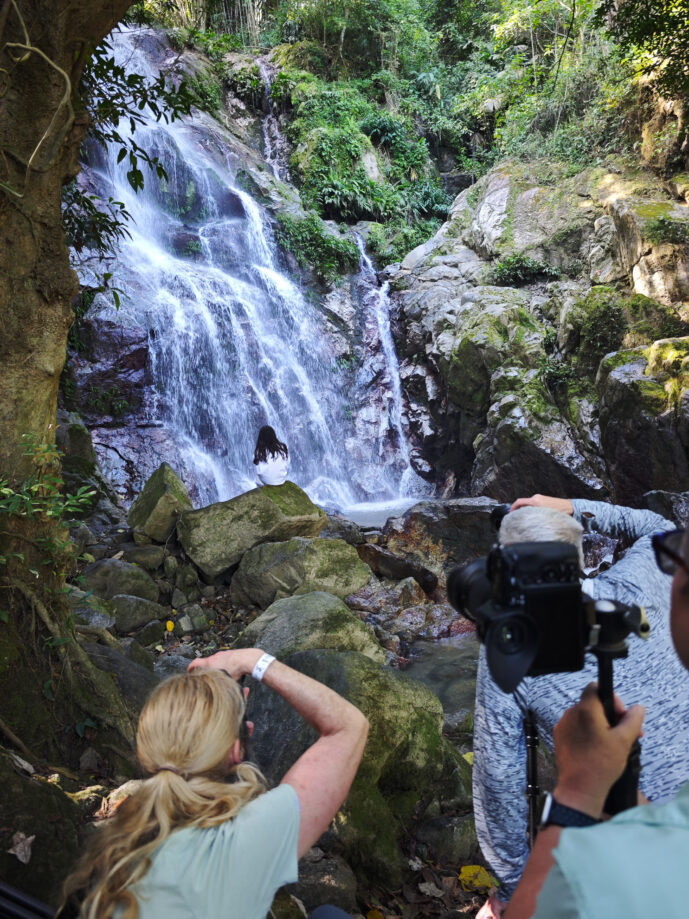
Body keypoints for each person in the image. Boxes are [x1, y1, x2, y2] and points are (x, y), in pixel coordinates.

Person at [473, 494, 689, 919]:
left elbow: (499, 782)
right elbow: (657, 524)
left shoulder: (513, 646)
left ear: (503, 569)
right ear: (579, 556)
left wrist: (512, 891)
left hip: (640, 862)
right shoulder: (647, 575)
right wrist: (571, 507)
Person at [60, 648, 368, 919]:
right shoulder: (243, 843)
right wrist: (250, 659)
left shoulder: (116, 845)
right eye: (242, 730)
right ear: (236, 752)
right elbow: (348, 727)